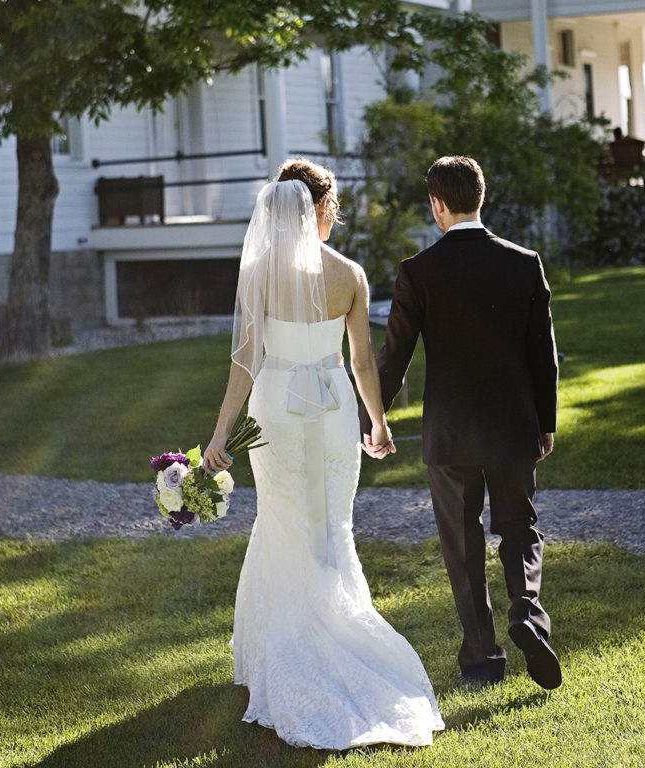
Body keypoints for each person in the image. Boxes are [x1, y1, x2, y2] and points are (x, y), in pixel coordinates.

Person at [203, 158, 444, 749]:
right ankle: (330, 634)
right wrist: (379, 423)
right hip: (334, 409)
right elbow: (363, 363)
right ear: (313, 209)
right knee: (330, 525)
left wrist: (219, 434)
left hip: (277, 411)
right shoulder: (350, 275)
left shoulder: (259, 273)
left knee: (285, 521)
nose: (336, 214)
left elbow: (245, 363)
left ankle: (286, 652)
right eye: (332, 205)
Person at [359, 155, 562, 691]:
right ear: (481, 197)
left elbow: (393, 358)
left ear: (437, 205)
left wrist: (374, 420)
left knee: (463, 544)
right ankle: (528, 614)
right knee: (519, 526)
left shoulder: (418, 271)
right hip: (513, 425)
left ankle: (481, 658)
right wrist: (545, 422)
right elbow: (544, 354)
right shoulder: (524, 262)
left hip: (448, 434)